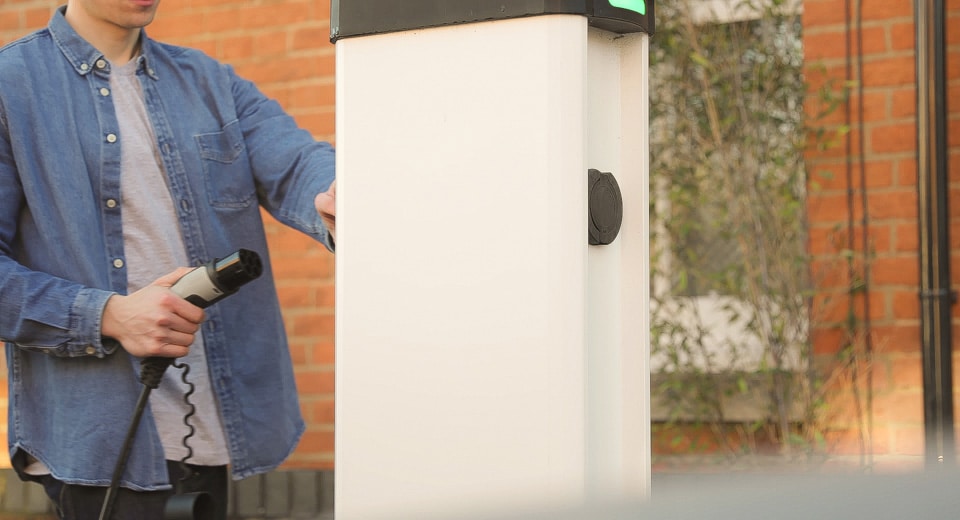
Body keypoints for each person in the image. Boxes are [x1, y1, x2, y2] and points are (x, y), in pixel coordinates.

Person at [0, 0, 337, 517]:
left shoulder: (209, 81)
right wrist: (108, 315)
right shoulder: (11, 86)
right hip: (99, 441)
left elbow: (296, 163)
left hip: (213, 427)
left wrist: (332, 193)